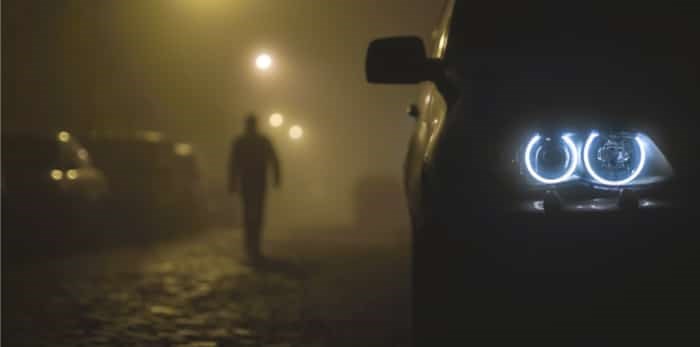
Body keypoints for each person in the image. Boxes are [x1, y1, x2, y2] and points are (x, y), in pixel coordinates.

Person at [228, 114, 281, 265]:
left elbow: (233, 163)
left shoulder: (241, 142)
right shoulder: (261, 141)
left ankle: (251, 244)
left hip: (251, 182)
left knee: (250, 213)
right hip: (256, 182)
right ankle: (253, 244)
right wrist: (277, 177)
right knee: (255, 213)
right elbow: (274, 159)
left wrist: (232, 182)